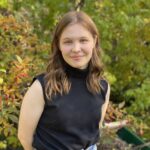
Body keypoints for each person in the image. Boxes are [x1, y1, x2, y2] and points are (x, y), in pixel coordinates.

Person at [18, 10, 110, 150]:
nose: (76, 49)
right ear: (58, 45)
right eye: (68, 42)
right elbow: (25, 138)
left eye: (83, 40)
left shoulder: (102, 87)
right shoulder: (42, 87)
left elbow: (92, 132)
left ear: (94, 41)